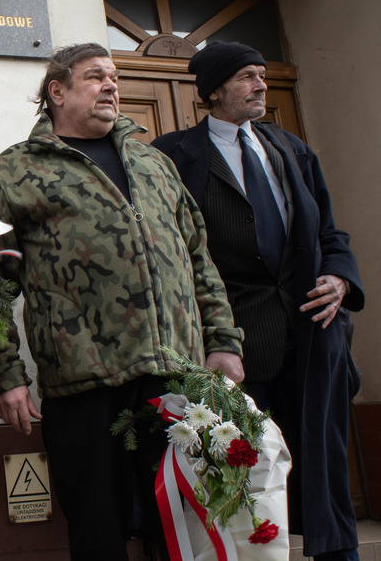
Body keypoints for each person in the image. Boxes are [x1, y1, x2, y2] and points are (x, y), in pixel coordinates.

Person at [0, 42, 244, 560]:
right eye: (96, 76)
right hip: (84, 384)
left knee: (184, 531)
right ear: (57, 91)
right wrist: (4, 374)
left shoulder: (153, 162)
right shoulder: (17, 170)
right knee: (99, 533)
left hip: (175, 378)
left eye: (114, 77)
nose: (111, 85)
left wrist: (223, 341)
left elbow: (196, 257)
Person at [152, 41, 364, 561]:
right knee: (242, 462)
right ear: (215, 91)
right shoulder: (174, 154)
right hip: (231, 340)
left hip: (312, 332)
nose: (261, 85)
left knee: (322, 453)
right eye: (248, 76)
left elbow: (330, 234)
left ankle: (338, 553)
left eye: (263, 75)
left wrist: (339, 278)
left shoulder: (290, 148)